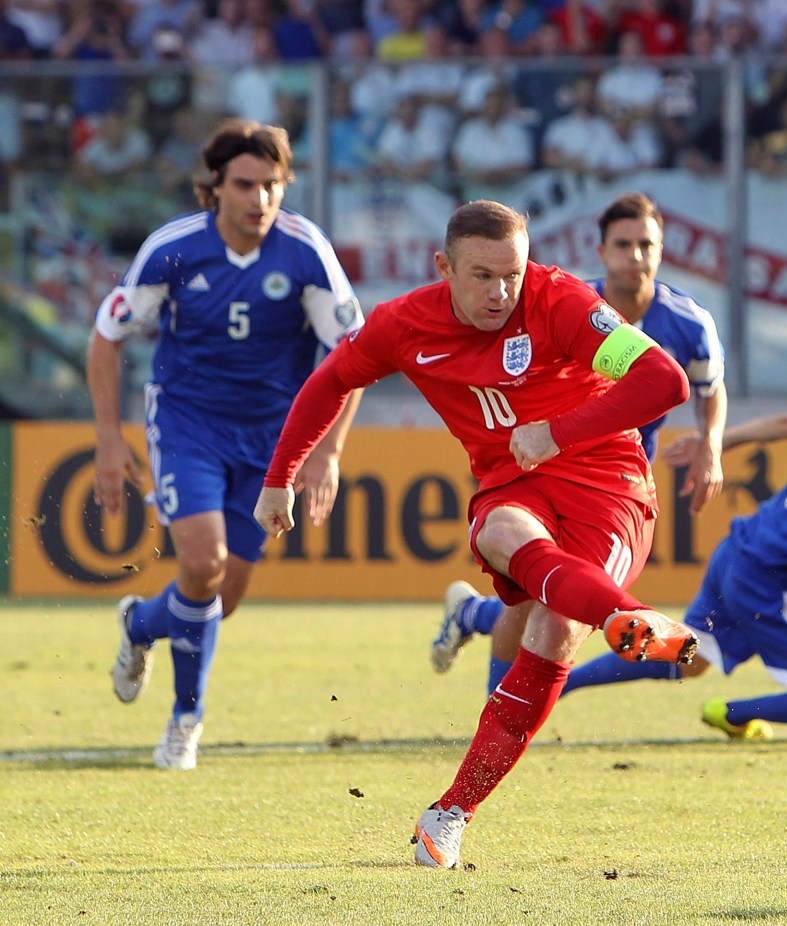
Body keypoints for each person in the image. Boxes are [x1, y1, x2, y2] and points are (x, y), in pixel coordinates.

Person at [253, 199, 698, 869]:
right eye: (483, 276)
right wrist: (280, 475)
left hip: (608, 483)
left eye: (512, 275)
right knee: (498, 532)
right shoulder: (404, 323)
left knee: (551, 629)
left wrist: (557, 431)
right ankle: (626, 618)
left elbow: (665, 380)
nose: (501, 294)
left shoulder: (562, 301)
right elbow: (332, 380)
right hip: (513, 481)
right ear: (445, 267)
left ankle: (450, 812)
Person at [89, 118, 364, 771]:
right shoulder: (173, 250)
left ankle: (140, 624)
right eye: (244, 184)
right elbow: (108, 335)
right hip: (189, 422)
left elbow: (353, 353)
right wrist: (107, 437)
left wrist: (327, 452)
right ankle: (186, 720)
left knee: (222, 595)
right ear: (214, 187)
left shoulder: (306, 252)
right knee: (204, 562)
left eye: (271, 185)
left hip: (275, 439)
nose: (259, 199)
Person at [432, 192, 728, 696]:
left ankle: (472, 620)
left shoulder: (689, 322)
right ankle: (499, 706)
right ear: (601, 251)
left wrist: (712, 446)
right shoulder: (571, 304)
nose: (635, 256)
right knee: (541, 602)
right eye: (623, 244)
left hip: (616, 480)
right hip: (548, 468)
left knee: (549, 603)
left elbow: (709, 387)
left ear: (661, 251)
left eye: (646, 245)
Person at [560, 396, 787, 747]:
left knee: (690, 657)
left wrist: (717, 443)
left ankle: (561, 681)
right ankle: (736, 713)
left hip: (738, 554)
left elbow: (786, 424)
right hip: (768, 585)